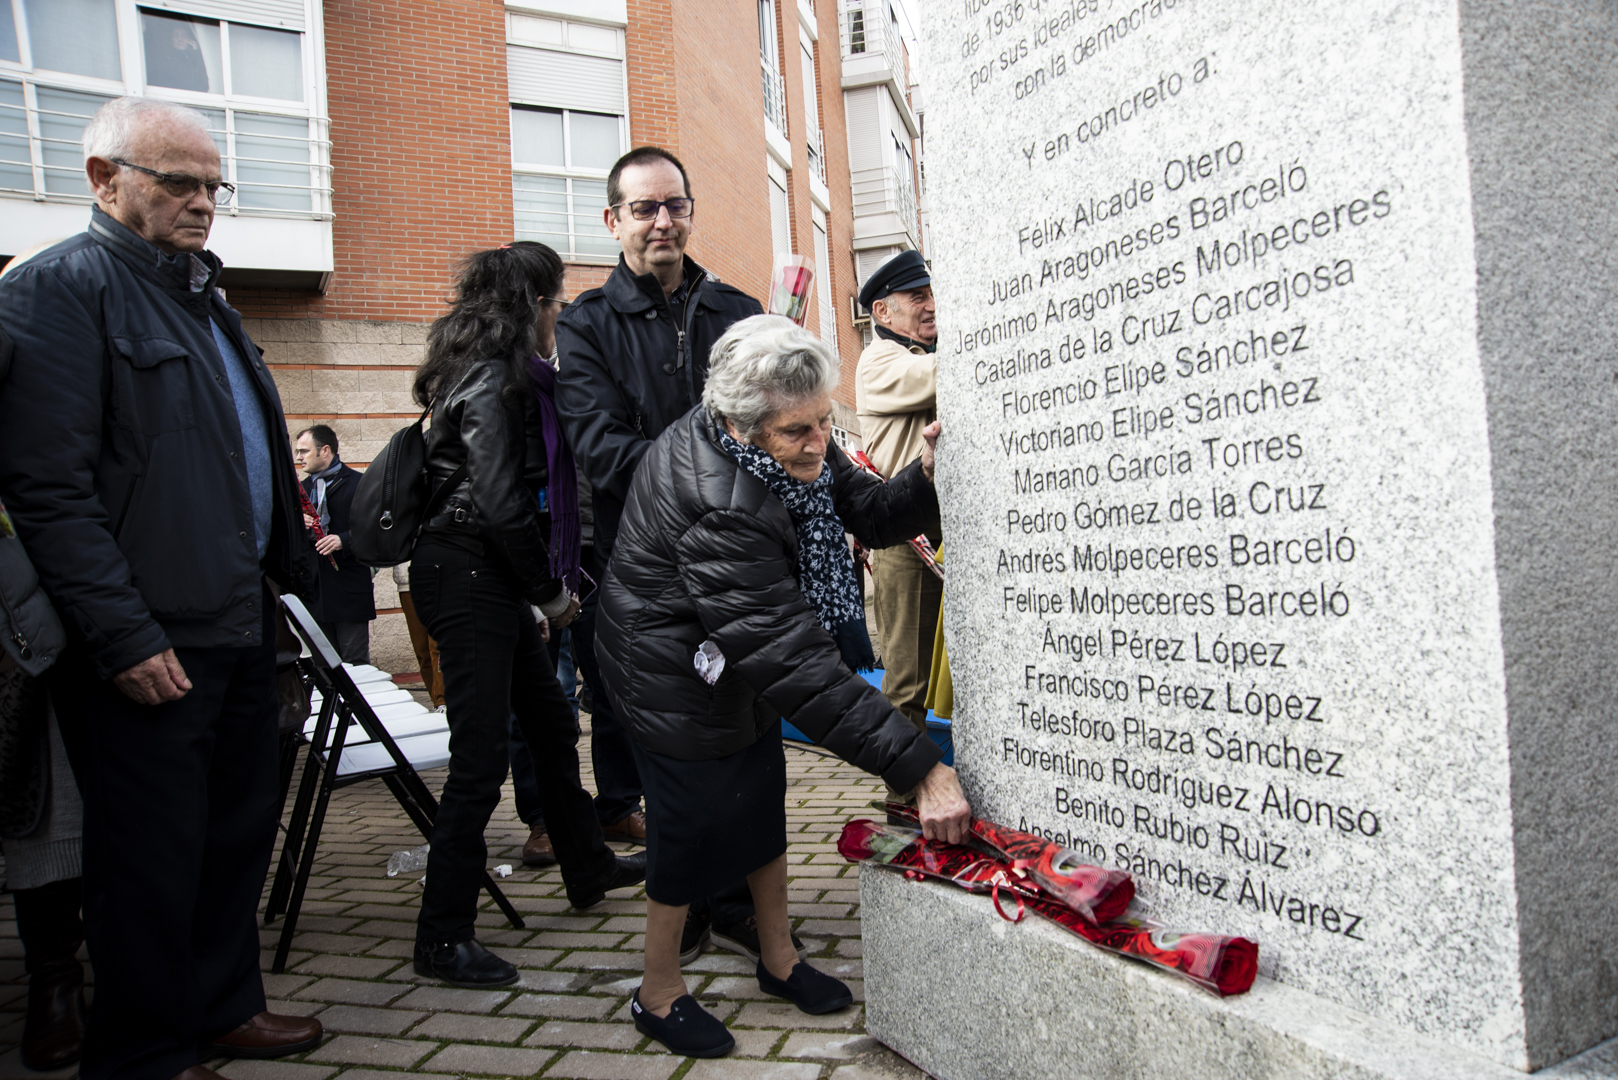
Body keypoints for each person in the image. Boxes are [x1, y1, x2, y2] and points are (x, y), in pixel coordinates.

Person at [0, 97, 322, 1080]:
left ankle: (223, 1008)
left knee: (232, 836)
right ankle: (144, 1051)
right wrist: (124, 636)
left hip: (238, 618)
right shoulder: (57, 292)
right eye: (178, 181)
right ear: (103, 178)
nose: (203, 201)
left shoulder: (205, 297)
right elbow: (50, 491)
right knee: (148, 859)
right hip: (151, 637)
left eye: (214, 184)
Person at [597, 314, 972, 1057]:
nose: (818, 442)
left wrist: (924, 478)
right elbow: (791, 658)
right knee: (689, 828)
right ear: (741, 426)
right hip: (667, 670)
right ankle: (658, 991)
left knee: (761, 800)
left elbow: (867, 511)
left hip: (731, 655)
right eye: (797, 431)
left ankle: (779, 959)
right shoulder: (717, 499)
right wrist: (919, 767)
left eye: (824, 423)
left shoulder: (790, 443)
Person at [408, 240, 644, 989]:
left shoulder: (499, 374)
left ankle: (588, 865)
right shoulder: (491, 380)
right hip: (467, 572)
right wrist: (550, 593)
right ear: (533, 307)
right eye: (556, 305)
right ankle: (442, 935)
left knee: (548, 726)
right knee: (479, 760)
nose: (559, 319)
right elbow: (499, 503)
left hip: (486, 574)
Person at [556, 145, 766, 962]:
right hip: (646, 575)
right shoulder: (585, 325)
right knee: (673, 751)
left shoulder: (739, 312)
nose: (662, 222)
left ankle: (739, 901)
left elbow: (770, 427)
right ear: (613, 220)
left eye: (674, 205)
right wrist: (716, 479)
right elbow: (602, 448)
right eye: (643, 208)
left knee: (743, 736)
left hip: (739, 565)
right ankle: (691, 903)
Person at [854, 250, 941, 736]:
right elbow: (938, 377)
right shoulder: (879, 360)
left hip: (942, 529)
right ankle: (904, 777)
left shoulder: (922, 352)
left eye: (932, 294)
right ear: (883, 311)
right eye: (917, 297)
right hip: (906, 537)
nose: (931, 305)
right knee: (909, 680)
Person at [293, 425, 376, 665]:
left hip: (349, 592)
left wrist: (344, 540)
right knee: (324, 668)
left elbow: (376, 528)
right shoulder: (302, 490)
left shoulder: (359, 483)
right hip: (315, 595)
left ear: (325, 450)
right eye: (297, 452)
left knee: (355, 666)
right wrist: (297, 525)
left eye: (304, 451)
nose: (298, 457)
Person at [393, 563, 444, 708]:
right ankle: (436, 702)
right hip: (407, 582)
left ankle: (442, 701)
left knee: (438, 647)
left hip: (439, 579)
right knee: (422, 651)